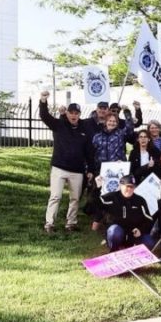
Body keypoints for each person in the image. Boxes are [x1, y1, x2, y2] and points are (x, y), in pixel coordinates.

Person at [38, 93, 92, 233]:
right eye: (71, 113)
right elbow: (44, 116)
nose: (74, 116)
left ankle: (71, 223)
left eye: (76, 113)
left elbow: (88, 151)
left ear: (79, 114)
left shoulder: (84, 128)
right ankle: (49, 224)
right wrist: (43, 101)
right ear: (67, 113)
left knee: (75, 198)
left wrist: (90, 169)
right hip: (59, 168)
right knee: (55, 196)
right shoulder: (59, 124)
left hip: (77, 170)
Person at [99, 174, 155, 252]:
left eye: (132, 187)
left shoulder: (140, 200)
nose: (129, 189)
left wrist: (141, 230)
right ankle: (114, 249)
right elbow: (96, 203)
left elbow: (149, 220)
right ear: (121, 185)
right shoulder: (112, 197)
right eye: (127, 186)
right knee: (114, 231)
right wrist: (97, 188)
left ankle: (133, 252)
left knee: (149, 242)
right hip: (118, 231)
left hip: (133, 234)